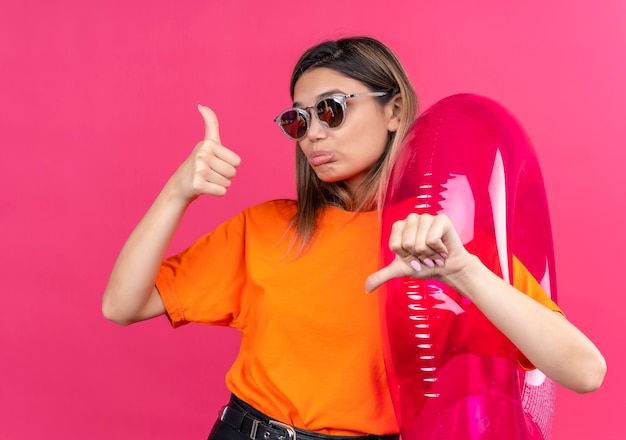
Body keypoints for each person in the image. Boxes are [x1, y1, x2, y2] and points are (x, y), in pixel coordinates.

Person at [102, 36, 606, 439]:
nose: (313, 135)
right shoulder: (266, 229)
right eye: (298, 120)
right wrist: (177, 193)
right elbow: (122, 305)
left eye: (331, 110)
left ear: (394, 111)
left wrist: (463, 272)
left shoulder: (441, 244)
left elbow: (586, 371)